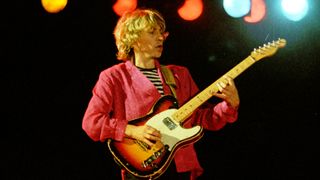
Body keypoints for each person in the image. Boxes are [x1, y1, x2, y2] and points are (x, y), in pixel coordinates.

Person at [82, 8, 240, 180]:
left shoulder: (180, 74)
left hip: (181, 168)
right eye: (152, 32)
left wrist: (229, 105)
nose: (160, 38)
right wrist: (132, 131)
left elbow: (203, 119)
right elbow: (92, 122)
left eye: (161, 33)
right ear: (133, 39)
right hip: (142, 169)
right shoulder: (113, 77)